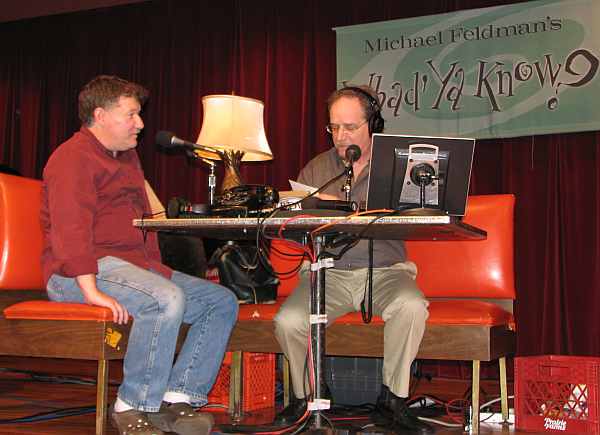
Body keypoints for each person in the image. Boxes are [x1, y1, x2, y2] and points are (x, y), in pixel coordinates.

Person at [40, 75, 239, 435]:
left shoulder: (128, 158)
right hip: (76, 273)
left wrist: (156, 270)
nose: (141, 124)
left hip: (131, 270)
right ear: (100, 115)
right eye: (132, 114)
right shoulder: (72, 158)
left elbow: (143, 223)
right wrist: (91, 290)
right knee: (164, 299)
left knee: (220, 301)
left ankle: (177, 398)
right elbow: (71, 230)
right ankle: (132, 406)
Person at [273, 86, 433, 433]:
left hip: (386, 270)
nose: (341, 137)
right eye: (334, 128)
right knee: (289, 320)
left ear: (372, 123)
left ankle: (393, 400)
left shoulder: (400, 164)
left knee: (411, 306)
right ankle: (308, 396)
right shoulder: (317, 168)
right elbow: (294, 223)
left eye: (350, 127)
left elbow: (422, 214)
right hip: (329, 272)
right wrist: (318, 210)